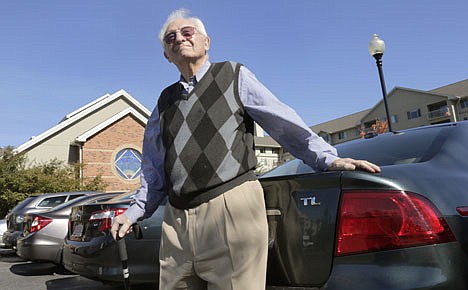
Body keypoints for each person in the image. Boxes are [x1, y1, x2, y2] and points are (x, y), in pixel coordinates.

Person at [111, 8, 380, 290]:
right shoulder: (164, 102)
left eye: (187, 32)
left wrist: (326, 159)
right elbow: (154, 169)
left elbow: (283, 123)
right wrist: (132, 213)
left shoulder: (233, 75)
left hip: (231, 207)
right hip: (176, 220)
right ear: (166, 54)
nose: (179, 38)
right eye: (170, 38)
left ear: (206, 42)